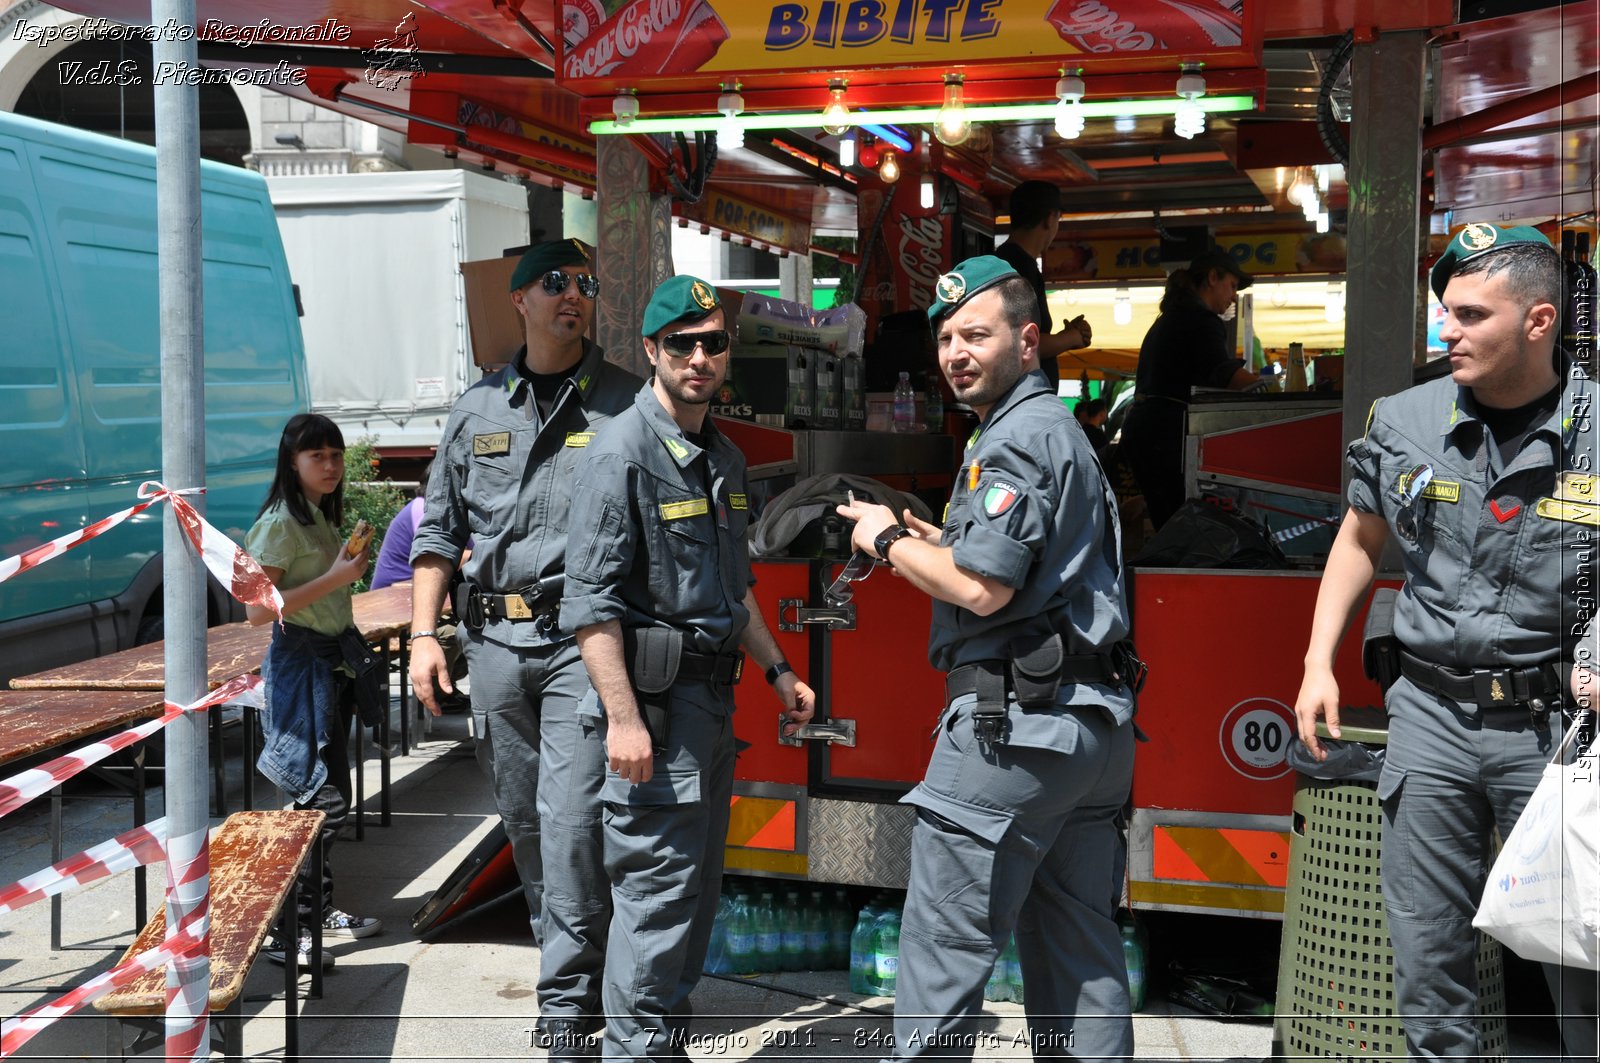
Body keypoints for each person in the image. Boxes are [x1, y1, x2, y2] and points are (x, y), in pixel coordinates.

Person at [1294, 223, 1598, 1059]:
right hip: (1428, 720)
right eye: (1443, 312)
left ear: (1539, 322)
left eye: (1468, 315)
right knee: (1430, 967)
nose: (1444, 333)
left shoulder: (1598, 428)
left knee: (1584, 967)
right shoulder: (1405, 419)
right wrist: (1320, 658)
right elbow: (1360, 540)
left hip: (1558, 734)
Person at [838, 255, 1139, 1061]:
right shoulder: (1054, 431)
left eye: (975, 333)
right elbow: (1015, 560)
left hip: (1015, 733)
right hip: (1091, 733)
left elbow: (981, 588)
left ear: (1029, 339)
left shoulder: (1015, 440)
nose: (954, 352)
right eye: (944, 338)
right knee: (1080, 962)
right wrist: (930, 537)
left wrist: (887, 538)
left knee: (941, 962)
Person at [561, 276, 816, 1059]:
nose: (700, 356)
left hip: (709, 710)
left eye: (712, 341)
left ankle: (659, 1047)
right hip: (655, 716)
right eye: (682, 343)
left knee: (694, 904)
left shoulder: (723, 455)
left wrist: (780, 671)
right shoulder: (621, 452)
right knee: (655, 902)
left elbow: (732, 594)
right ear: (650, 353)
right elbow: (589, 604)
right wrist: (626, 719)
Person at [408, 239, 643, 1060]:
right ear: (520, 301)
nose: (572, 296)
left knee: (573, 820)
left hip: (583, 642)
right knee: (528, 824)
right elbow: (437, 534)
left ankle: (567, 1004)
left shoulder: (625, 402)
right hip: (495, 648)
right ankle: (577, 974)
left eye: (584, 283)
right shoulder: (478, 410)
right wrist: (421, 637)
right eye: (554, 284)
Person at [245, 413, 384, 970]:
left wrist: (344, 570)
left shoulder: (321, 516)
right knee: (313, 801)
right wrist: (338, 577)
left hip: (331, 664)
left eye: (335, 454)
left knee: (326, 801)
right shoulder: (280, 523)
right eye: (316, 456)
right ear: (292, 462)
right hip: (300, 666)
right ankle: (287, 931)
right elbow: (256, 611)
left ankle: (316, 911)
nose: (329, 465)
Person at [1119, 248, 1257, 529]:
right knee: (1180, 528)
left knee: (1169, 520)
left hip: (1147, 432)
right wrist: (1275, 388)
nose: (1234, 296)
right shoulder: (1200, 320)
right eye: (1232, 285)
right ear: (1212, 277)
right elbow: (1225, 375)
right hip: (1167, 437)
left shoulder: (1172, 317)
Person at [992, 180, 1092, 391]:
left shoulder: (1012, 262)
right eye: (1058, 219)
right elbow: (1020, 343)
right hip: (1019, 404)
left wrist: (1062, 338)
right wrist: (1070, 337)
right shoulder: (1017, 266)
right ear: (1050, 218)